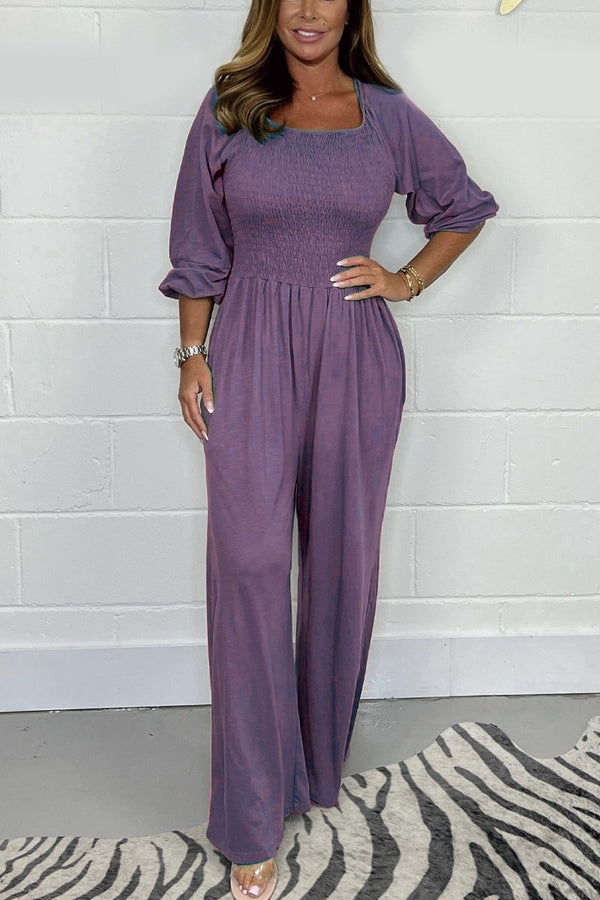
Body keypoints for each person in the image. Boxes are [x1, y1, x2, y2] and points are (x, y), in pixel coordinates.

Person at [158, 0, 499, 895]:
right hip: (248, 351)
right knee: (249, 563)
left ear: (353, 9)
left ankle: (312, 770)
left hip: (356, 352)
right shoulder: (231, 105)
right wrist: (192, 354)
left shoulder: (386, 113)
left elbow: (465, 206)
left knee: (343, 563)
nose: (309, 10)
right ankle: (249, 814)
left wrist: (406, 279)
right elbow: (198, 242)